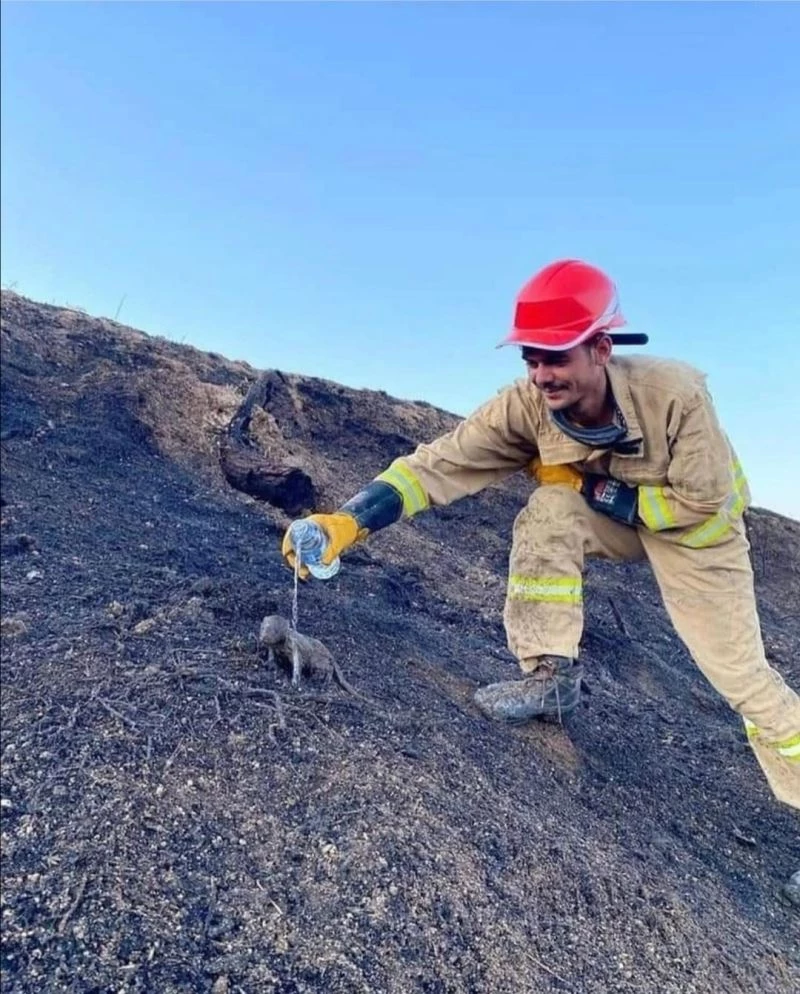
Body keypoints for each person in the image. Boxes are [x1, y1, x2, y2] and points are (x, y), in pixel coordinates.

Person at [281, 259, 800, 812]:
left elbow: (701, 502)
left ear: (601, 347)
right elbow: (438, 464)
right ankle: (550, 674)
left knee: (743, 682)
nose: (542, 374)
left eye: (556, 356)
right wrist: (349, 521)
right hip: (621, 522)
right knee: (550, 508)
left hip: (699, 537)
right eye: (532, 358)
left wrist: (597, 490)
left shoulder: (676, 394)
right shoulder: (526, 407)